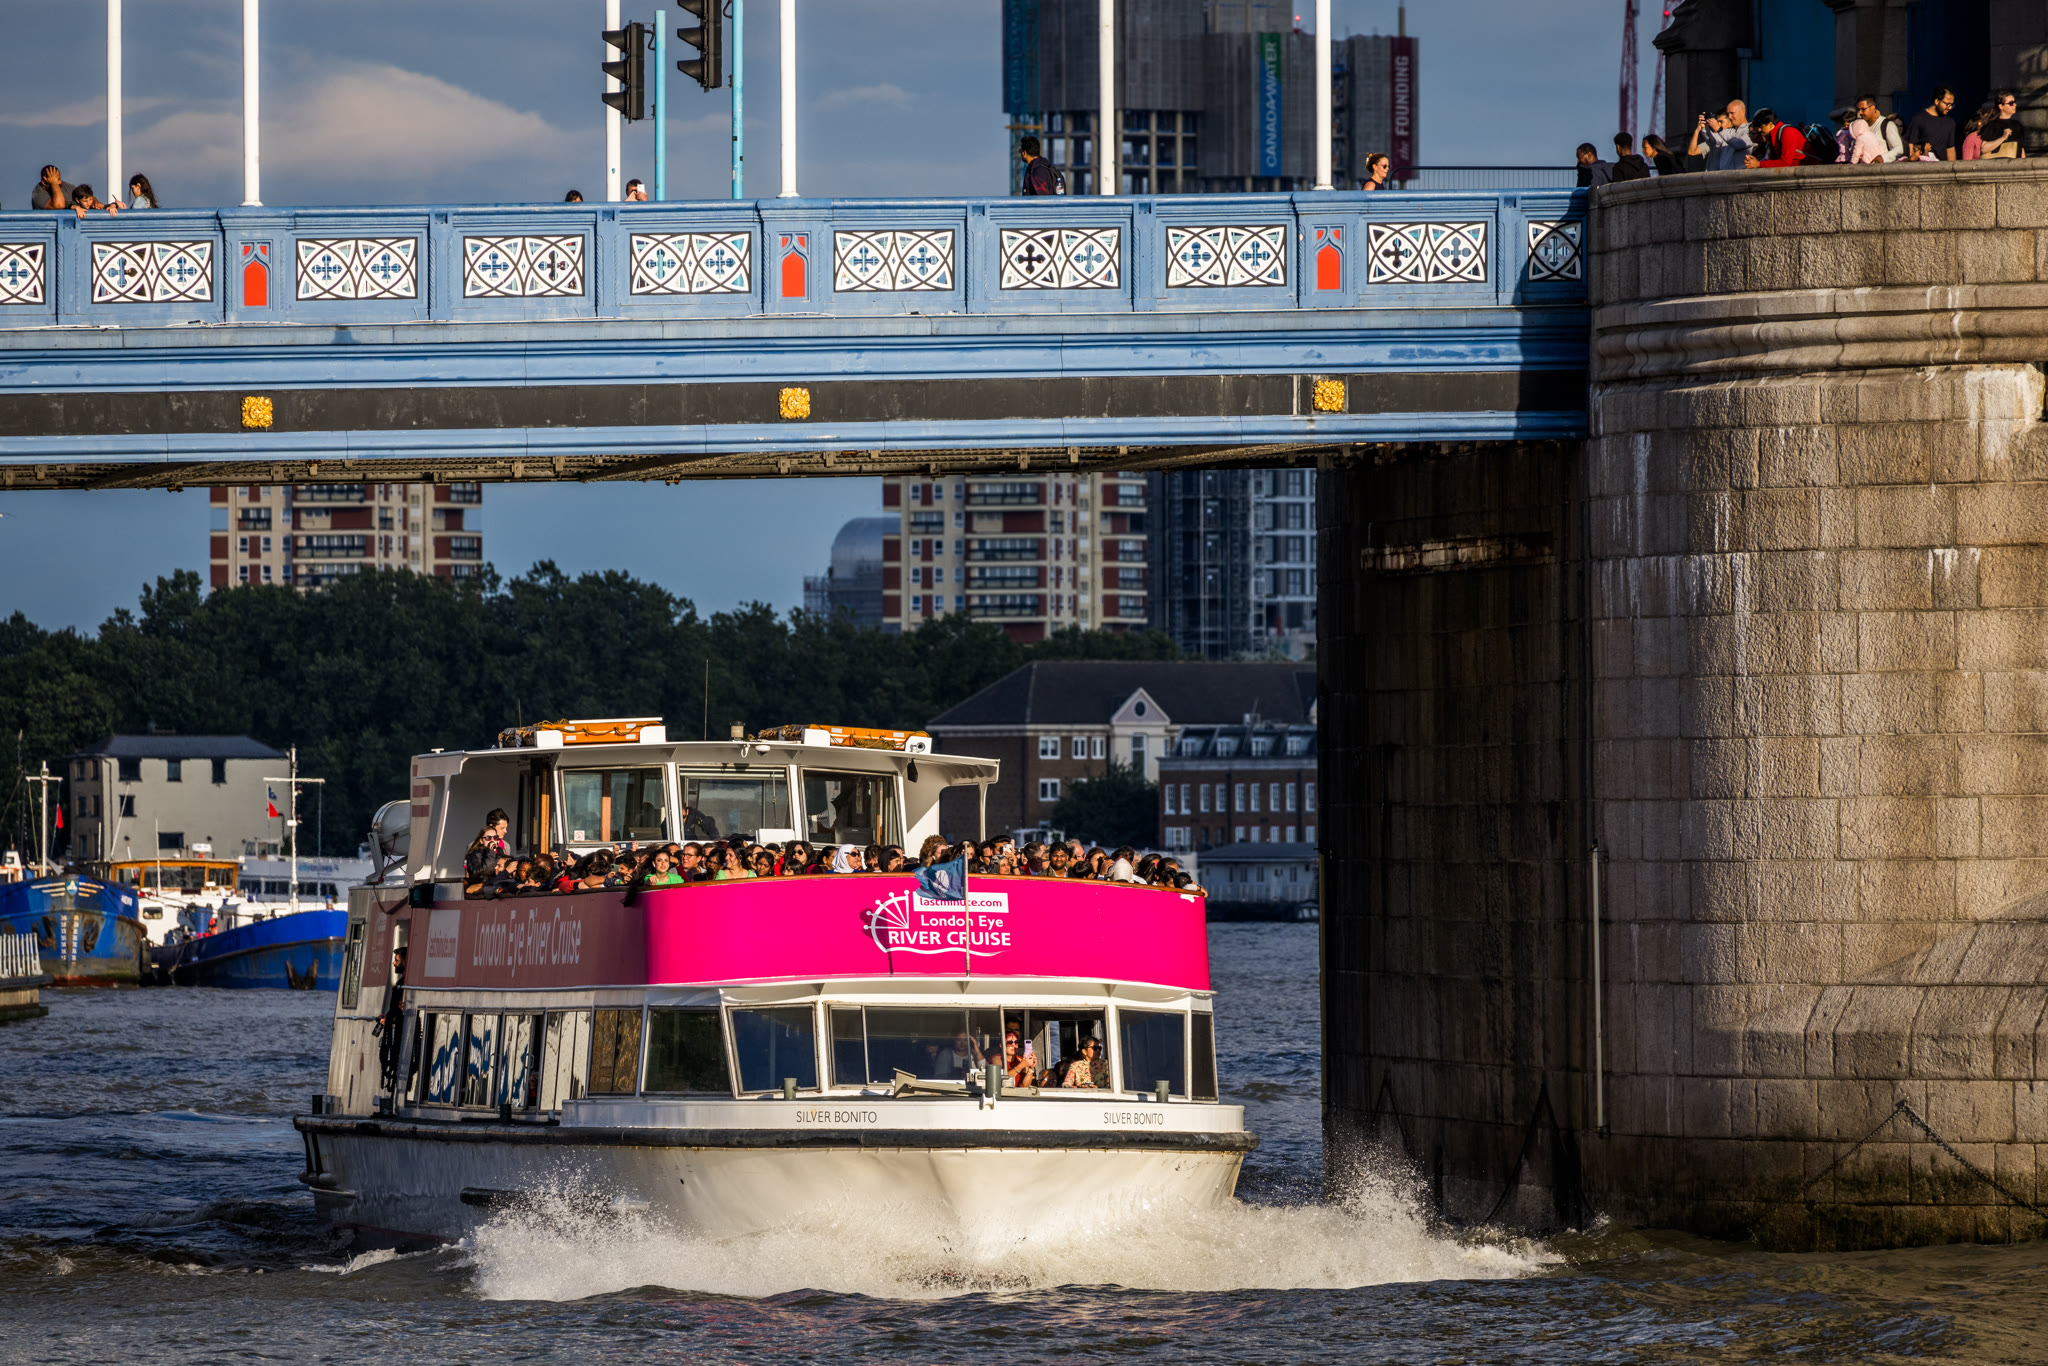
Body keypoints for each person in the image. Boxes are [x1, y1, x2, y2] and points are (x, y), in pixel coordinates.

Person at [1688, 100, 1755, 170]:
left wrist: (1719, 129)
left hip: (1741, 175)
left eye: (1732, 113)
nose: (1730, 116)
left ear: (1742, 111)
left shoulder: (1751, 129)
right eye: (1728, 114)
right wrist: (1706, 126)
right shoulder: (1730, 132)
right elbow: (1715, 140)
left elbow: (1739, 144)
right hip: (1725, 175)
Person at [1906, 87, 1958, 162]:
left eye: (1951, 105)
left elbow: (1950, 148)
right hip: (1923, 165)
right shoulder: (1919, 119)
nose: (1949, 108)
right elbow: (1911, 144)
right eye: (1947, 104)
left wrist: (1952, 166)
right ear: (1937, 101)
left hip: (1943, 166)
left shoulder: (1950, 123)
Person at [1854, 95, 1905, 163]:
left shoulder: (1887, 125)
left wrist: (1883, 157)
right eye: (1858, 110)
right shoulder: (1857, 126)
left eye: (1863, 109)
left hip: (1882, 168)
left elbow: (1899, 149)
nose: (1860, 113)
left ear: (1873, 108)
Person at [1979, 91, 2025, 160]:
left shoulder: (2017, 125)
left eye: (2014, 102)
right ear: (2001, 106)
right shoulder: (1991, 125)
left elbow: (2020, 148)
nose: (2015, 105)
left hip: (2015, 163)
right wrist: (2003, 137)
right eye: (2011, 103)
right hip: (1997, 163)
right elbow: (1984, 149)